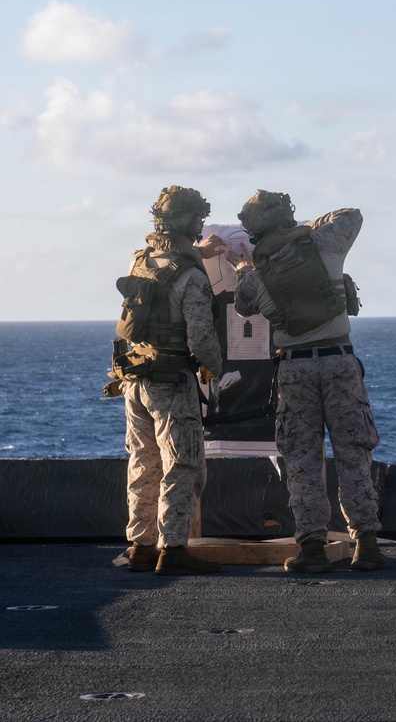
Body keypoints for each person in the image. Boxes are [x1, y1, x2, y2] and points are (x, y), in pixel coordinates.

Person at [233, 191, 385, 573]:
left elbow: (242, 304)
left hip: (295, 370)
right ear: (288, 218)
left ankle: (313, 548)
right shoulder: (325, 242)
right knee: (354, 452)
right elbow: (353, 214)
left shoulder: (255, 278)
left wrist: (244, 270)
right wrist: (305, 230)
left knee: (302, 460)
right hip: (339, 361)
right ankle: (365, 544)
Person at [110, 186, 224, 575]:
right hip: (172, 382)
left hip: (135, 380)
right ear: (191, 222)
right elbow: (201, 337)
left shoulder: (140, 262)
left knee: (143, 464)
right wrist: (216, 368)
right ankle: (173, 549)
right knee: (181, 463)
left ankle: (141, 547)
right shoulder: (190, 276)